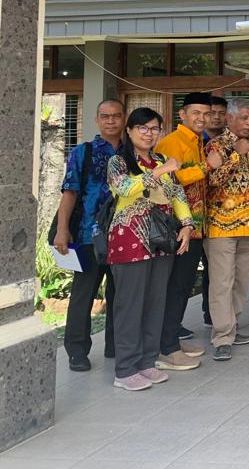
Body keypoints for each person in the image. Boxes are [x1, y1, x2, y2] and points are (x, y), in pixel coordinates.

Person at [106, 107, 193, 391]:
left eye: (154, 128)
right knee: (131, 305)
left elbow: (177, 193)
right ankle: (125, 369)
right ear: (129, 131)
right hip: (129, 240)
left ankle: (146, 362)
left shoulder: (160, 160)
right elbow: (124, 188)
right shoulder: (118, 161)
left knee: (155, 303)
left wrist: (187, 224)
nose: (149, 133)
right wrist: (159, 172)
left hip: (161, 239)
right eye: (142, 128)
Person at [54, 99, 124, 371]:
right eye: (105, 116)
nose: (111, 121)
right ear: (97, 120)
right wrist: (63, 229)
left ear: (123, 118)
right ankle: (77, 351)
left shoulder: (131, 152)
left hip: (124, 237)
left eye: (116, 116)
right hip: (87, 235)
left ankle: (115, 346)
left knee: (120, 295)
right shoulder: (83, 152)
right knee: (83, 296)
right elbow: (69, 193)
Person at [153, 92, 210, 372]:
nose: (202, 118)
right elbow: (169, 179)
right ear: (182, 114)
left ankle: (171, 339)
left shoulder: (198, 141)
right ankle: (166, 348)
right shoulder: (171, 142)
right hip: (177, 228)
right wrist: (206, 167)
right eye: (196, 113)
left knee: (183, 286)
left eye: (205, 113)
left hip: (194, 228)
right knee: (174, 287)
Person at [204, 99, 249, 361]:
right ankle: (222, 337)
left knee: (241, 282)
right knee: (222, 283)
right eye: (244, 118)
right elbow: (211, 180)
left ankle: (232, 326)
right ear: (229, 119)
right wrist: (235, 154)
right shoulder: (216, 146)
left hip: (246, 226)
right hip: (221, 226)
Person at [199, 94, 228, 326]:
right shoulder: (196, 141)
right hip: (194, 217)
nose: (216, 117)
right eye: (211, 113)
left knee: (215, 270)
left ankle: (213, 316)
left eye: (221, 113)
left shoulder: (231, 142)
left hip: (220, 219)